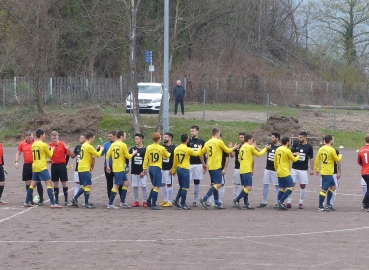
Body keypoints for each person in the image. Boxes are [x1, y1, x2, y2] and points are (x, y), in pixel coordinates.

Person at [199, 127, 238, 210]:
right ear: (217, 134)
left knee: (214, 184)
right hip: (217, 166)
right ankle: (204, 198)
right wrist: (234, 147)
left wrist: (203, 164)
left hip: (210, 166)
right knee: (219, 184)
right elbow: (227, 150)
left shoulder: (207, 142)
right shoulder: (219, 141)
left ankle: (217, 203)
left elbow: (200, 153)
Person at [24, 128, 62, 208]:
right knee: (49, 184)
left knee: (32, 185)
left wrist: (47, 161)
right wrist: (52, 149)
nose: (45, 136)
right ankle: (53, 203)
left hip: (35, 167)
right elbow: (50, 155)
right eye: (44, 134)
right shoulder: (43, 144)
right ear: (41, 135)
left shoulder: (33, 144)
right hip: (42, 168)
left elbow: (39, 156)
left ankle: (26, 202)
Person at [233, 134, 269, 210]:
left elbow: (239, 159)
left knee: (245, 187)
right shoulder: (250, 147)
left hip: (242, 170)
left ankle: (246, 203)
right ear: (249, 140)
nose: (252, 142)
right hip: (246, 170)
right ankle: (237, 200)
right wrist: (265, 148)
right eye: (252, 140)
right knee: (249, 188)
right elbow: (259, 154)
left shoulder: (242, 147)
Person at [69, 131, 104, 209]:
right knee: (87, 185)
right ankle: (78, 200)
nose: (94, 140)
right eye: (93, 138)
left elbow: (90, 153)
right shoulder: (88, 146)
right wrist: (101, 149)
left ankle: (82, 201)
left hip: (81, 167)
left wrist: (97, 149)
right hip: (84, 168)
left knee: (86, 185)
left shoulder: (84, 145)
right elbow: (98, 155)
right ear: (91, 138)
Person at [106, 131, 137, 209]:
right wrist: (134, 153)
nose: (125, 137)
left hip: (117, 167)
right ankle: (110, 203)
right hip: (119, 168)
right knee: (116, 184)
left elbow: (107, 155)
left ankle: (122, 202)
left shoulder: (113, 144)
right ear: (121, 136)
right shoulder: (123, 145)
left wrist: (108, 166)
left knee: (126, 183)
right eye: (125, 135)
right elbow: (128, 156)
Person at [171, 134, 202, 210]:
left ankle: (176, 199)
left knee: (181, 186)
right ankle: (183, 203)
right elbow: (196, 154)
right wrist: (199, 148)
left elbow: (175, 161)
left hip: (178, 169)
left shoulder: (176, 148)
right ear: (187, 140)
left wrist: (174, 170)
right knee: (185, 187)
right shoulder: (188, 149)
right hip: (185, 169)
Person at [141, 132, 171, 210]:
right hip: (157, 168)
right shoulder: (161, 148)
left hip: (151, 167)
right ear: (158, 139)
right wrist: (169, 153)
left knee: (155, 186)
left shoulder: (149, 147)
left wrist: (144, 168)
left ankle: (148, 201)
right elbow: (166, 155)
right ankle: (154, 204)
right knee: (157, 187)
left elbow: (146, 159)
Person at [286, 131, 314, 209]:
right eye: (299, 137)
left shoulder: (309, 147)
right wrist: (295, 154)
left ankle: (301, 202)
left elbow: (311, 158)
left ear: (305, 137)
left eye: (301, 137)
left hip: (303, 169)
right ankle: (289, 201)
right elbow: (290, 153)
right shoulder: (295, 144)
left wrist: (312, 169)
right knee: (291, 184)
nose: (299, 138)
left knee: (303, 185)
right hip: (294, 168)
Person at [315, 135, 342, 212]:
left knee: (333, 186)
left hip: (325, 171)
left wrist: (317, 169)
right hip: (328, 172)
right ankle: (320, 206)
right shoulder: (331, 150)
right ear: (330, 140)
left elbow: (317, 160)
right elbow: (337, 159)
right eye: (333, 139)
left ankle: (328, 204)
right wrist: (340, 156)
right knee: (324, 189)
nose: (333, 140)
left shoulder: (321, 149)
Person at [15, 131, 44, 205]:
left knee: (38, 182)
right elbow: (18, 153)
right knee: (27, 182)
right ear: (25, 137)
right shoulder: (22, 143)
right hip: (27, 165)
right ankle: (30, 199)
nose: (30, 139)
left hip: (36, 164)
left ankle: (41, 199)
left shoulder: (36, 142)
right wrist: (16, 161)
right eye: (28, 138)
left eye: (31, 137)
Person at [274, 137, 300, 210]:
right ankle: (281, 202)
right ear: (287, 142)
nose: (290, 143)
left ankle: (278, 203)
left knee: (282, 188)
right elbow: (294, 160)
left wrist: (277, 169)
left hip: (279, 171)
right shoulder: (287, 150)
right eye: (289, 141)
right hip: (285, 172)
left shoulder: (278, 149)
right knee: (291, 187)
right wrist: (298, 156)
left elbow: (275, 161)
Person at [257, 132, 281, 209]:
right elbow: (262, 151)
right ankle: (264, 201)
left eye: (273, 137)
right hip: (267, 169)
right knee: (265, 184)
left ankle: (278, 202)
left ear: (277, 138)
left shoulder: (280, 147)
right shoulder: (269, 145)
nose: (271, 139)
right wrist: (256, 147)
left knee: (277, 186)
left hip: (275, 170)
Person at [48, 131, 70, 205]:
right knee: (55, 183)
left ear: (58, 137)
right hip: (54, 166)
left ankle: (66, 200)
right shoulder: (50, 145)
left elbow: (67, 155)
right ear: (51, 138)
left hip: (62, 165)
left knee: (64, 183)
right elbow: (46, 154)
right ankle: (56, 199)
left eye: (56, 138)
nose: (54, 139)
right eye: (53, 138)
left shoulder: (63, 144)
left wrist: (65, 164)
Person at [188, 125, 207, 207]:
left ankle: (194, 200)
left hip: (198, 164)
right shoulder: (188, 141)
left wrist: (204, 164)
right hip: (189, 164)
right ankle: (183, 200)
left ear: (197, 131)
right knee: (186, 182)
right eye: (191, 131)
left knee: (197, 182)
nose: (192, 132)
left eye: (193, 131)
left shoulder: (202, 142)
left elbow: (204, 154)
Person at [208, 134, 229, 206]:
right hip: (214, 167)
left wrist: (224, 169)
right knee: (214, 184)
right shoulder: (214, 146)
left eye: (219, 138)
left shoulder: (223, 147)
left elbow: (227, 159)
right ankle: (211, 200)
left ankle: (220, 201)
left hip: (221, 168)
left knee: (221, 184)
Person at [129, 134, 148, 207]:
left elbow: (147, 160)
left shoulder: (145, 149)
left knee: (144, 186)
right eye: (135, 139)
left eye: (137, 139)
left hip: (142, 171)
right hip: (134, 171)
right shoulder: (132, 149)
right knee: (135, 186)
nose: (135, 140)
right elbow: (127, 156)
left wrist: (144, 170)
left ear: (141, 139)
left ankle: (145, 201)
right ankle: (136, 201)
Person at [101, 131, 121, 200]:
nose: (109, 138)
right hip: (108, 167)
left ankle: (122, 199)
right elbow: (101, 153)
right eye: (108, 136)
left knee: (119, 183)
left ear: (115, 136)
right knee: (109, 184)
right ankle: (110, 199)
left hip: (117, 167)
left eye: (110, 136)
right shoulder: (106, 144)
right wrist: (99, 149)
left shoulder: (120, 144)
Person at [159, 132, 176, 207]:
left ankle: (170, 201)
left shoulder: (174, 148)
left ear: (170, 138)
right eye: (164, 137)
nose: (164, 138)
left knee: (169, 184)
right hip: (162, 168)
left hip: (169, 169)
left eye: (166, 137)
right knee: (162, 184)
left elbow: (176, 159)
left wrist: (173, 168)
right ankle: (165, 200)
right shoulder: (162, 146)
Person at [230, 132, 245, 201]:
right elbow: (232, 156)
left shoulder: (248, 146)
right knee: (236, 185)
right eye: (240, 137)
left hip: (245, 169)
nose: (240, 139)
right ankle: (236, 200)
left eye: (242, 137)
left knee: (246, 186)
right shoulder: (237, 146)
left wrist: (252, 169)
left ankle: (245, 201)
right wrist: (231, 148)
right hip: (237, 168)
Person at [357, 134, 369, 212]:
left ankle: (366, 205)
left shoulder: (361, 150)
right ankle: (364, 203)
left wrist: (365, 166)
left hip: (364, 172)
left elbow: (359, 162)